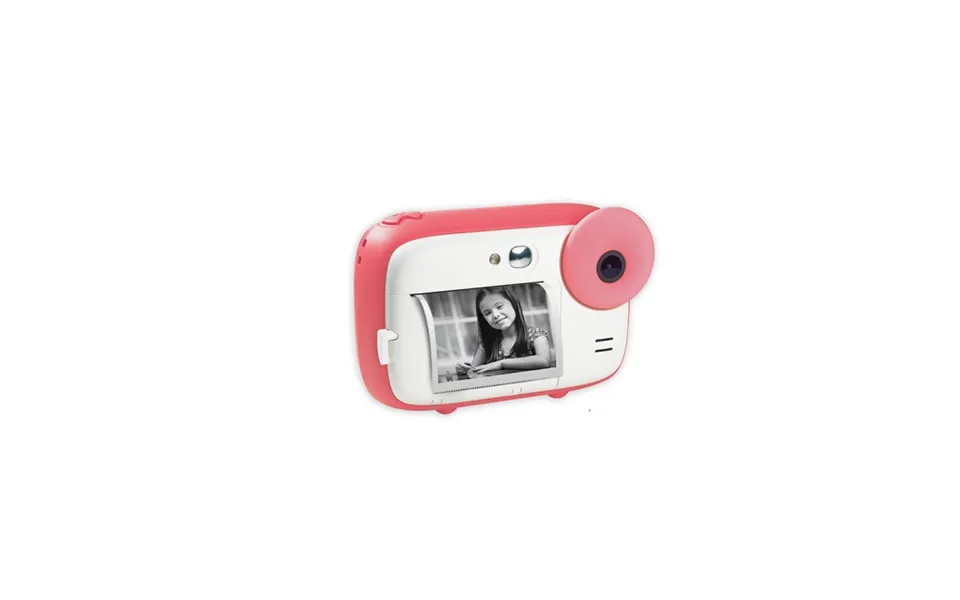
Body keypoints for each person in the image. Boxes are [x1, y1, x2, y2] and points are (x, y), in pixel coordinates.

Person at [455, 286, 551, 376]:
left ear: (514, 304)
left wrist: (501, 363)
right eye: (487, 313)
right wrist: (465, 371)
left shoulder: (536, 335)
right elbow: (473, 371)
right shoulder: (486, 344)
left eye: (499, 306)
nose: (495, 315)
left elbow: (544, 361)